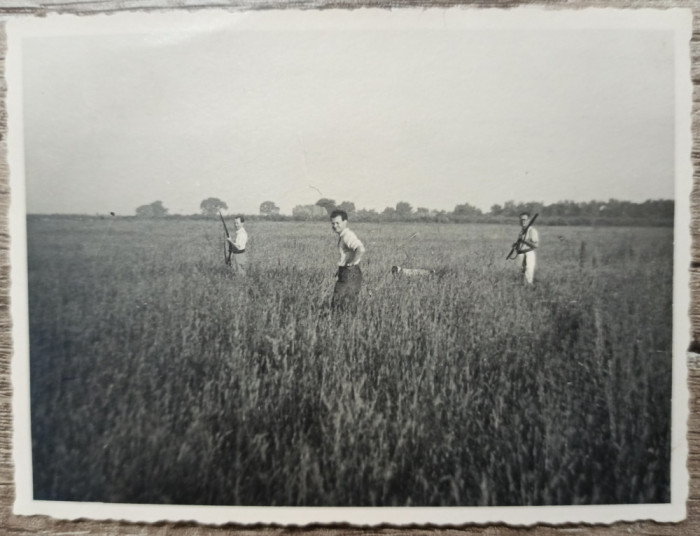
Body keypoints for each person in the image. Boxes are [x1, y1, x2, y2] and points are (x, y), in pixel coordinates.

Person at [330, 209, 365, 312]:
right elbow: (347, 254)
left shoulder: (347, 236)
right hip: (348, 273)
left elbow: (360, 249)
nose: (335, 226)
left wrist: (351, 264)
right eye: (333, 223)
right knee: (344, 306)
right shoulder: (343, 236)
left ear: (345, 222)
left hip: (350, 274)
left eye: (338, 223)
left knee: (340, 305)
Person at [516, 212, 539, 284]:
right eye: (521, 220)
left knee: (528, 274)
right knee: (521, 275)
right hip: (521, 254)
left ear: (528, 220)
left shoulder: (532, 230)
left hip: (528, 254)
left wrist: (524, 240)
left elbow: (535, 245)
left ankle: (529, 289)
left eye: (524, 219)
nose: (523, 221)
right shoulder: (522, 231)